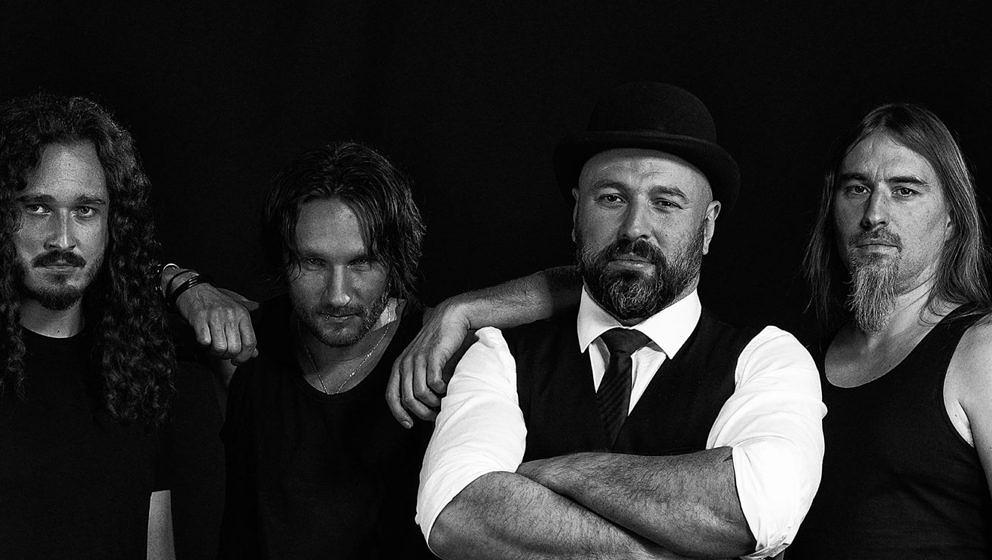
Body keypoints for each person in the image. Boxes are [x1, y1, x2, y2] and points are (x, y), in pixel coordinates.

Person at [410, 82, 825, 559]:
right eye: (611, 198)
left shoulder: (766, 359)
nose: (634, 228)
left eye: (665, 202)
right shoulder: (501, 354)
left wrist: (555, 472)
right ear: (576, 213)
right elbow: (458, 514)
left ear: (708, 226)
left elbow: (759, 507)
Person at [787, 104, 992, 557]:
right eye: (857, 188)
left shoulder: (982, 351)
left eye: (904, 190)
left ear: (952, 218)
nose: (873, 214)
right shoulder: (798, 362)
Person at [218, 141, 435, 559]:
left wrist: (463, 311)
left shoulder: (437, 352)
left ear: (394, 260)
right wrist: (182, 285)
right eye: (314, 263)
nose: (338, 295)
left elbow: (571, 288)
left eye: (361, 262)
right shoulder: (244, 344)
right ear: (284, 258)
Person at [0, 93, 178, 558]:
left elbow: (155, 547)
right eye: (37, 207)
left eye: (85, 210)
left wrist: (186, 285)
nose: (62, 238)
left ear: (112, 223)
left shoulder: (138, 369)